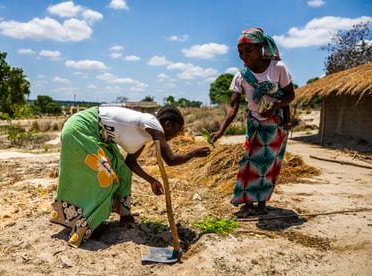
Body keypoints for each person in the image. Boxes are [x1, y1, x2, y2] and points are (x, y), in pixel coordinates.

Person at [49, 105, 211, 247]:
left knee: (123, 171)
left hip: (97, 134)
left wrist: (151, 180)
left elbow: (130, 163)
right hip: (81, 128)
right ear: (168, 124)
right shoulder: (153, 124)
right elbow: (170, 160)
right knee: (107, 178)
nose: (174, 137)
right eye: (175, 132)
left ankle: (125, 216)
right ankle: (88, 223)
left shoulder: (144, 135)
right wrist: (194, 153)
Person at [211, 27, 295, 218]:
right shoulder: (241, 75)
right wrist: (221, 130)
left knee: (267, 164)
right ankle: (247, 203)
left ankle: (262, 203)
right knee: (249, 163)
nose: (243, 56)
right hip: (254, 123)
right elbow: (233, 107)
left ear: (260, 48)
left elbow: (290, 95)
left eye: (248, 51)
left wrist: (274, 107)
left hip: (275, 125)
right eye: (240, 53)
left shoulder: (278, 68)